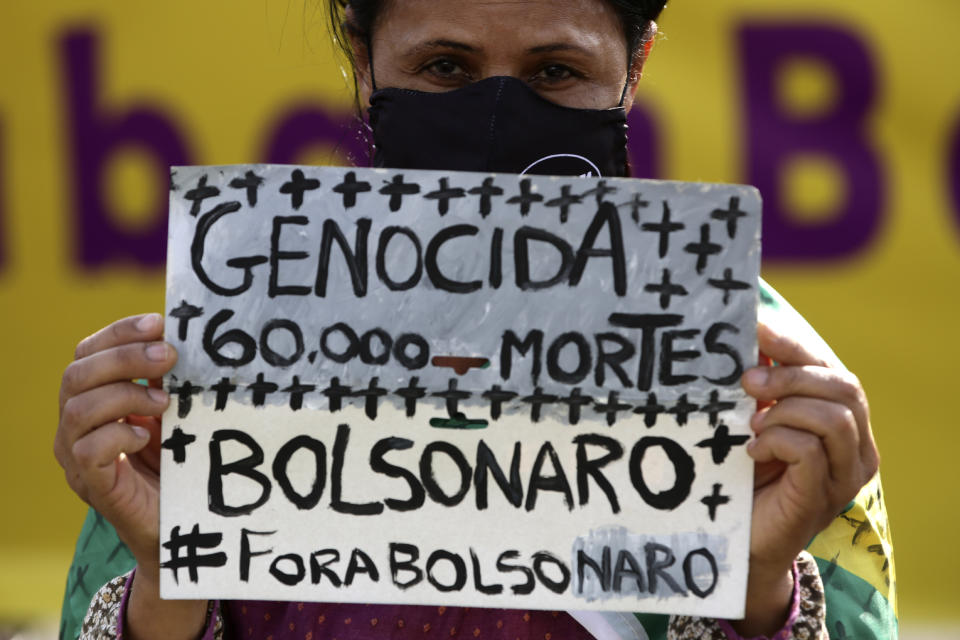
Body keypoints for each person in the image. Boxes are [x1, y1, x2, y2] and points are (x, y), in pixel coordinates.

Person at [55, 1, 897, 638]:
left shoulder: (754, 365)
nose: (496, 115)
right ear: (363, 60)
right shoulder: (232, 339)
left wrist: (756, 585)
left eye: (555, 71)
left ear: (633, 69)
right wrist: (169, 573)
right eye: (446, 67)